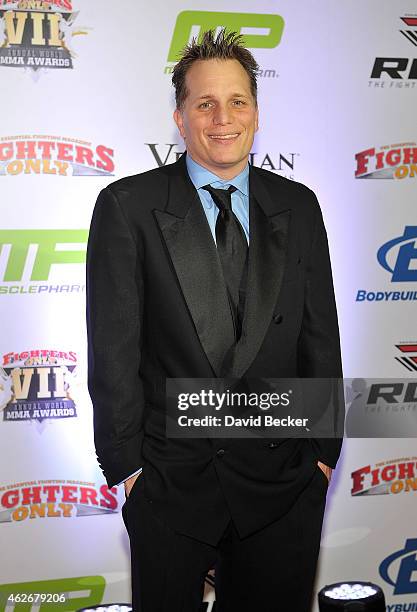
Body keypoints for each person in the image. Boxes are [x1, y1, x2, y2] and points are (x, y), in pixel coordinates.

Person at [86, 29, 343, 612]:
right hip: (170, 484)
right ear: (180, 116)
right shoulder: (128, 207)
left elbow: (319, 340)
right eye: (205, 103)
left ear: (257, 112)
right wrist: (129, 473)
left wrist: (321, 456)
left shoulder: (299, 205)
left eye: (237, 102)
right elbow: (114, 352)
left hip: (284, 482)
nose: (222, 118)